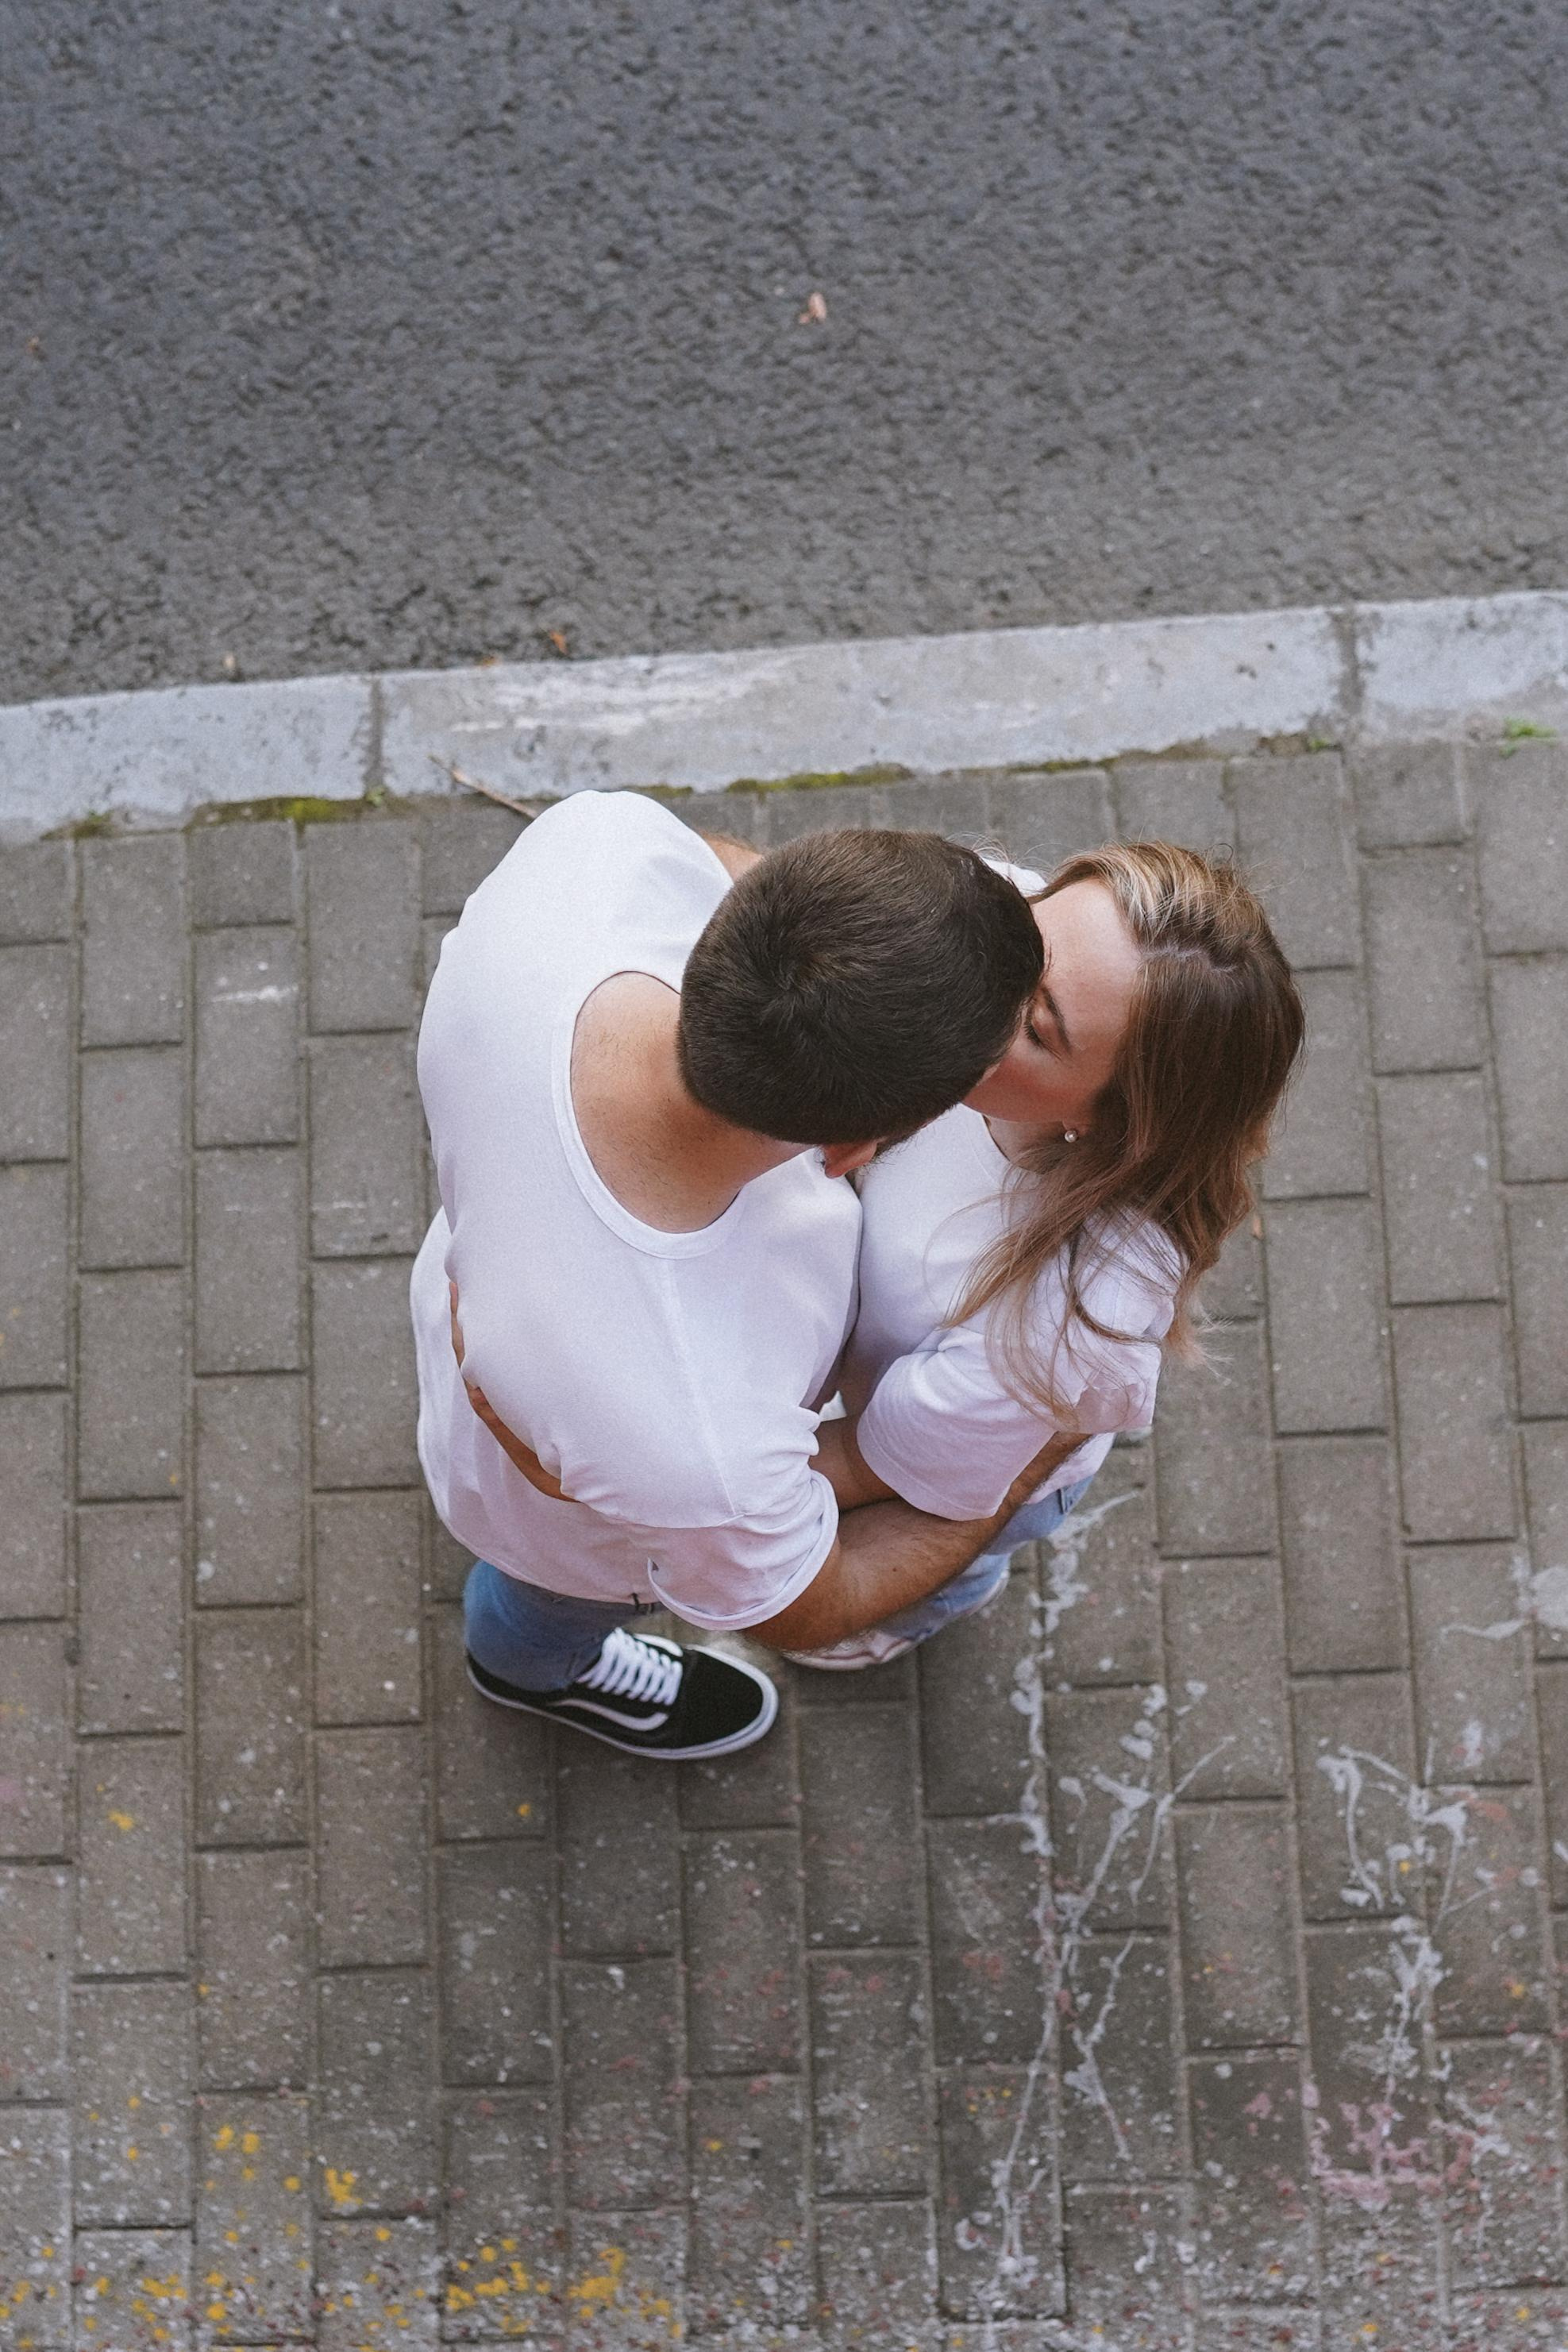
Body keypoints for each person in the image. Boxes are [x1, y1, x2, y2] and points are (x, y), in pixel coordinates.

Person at [410, 787, 1051, 1764]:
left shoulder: (590, 851)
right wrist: (1015, 1474)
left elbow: (712, 862)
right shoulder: (697, 1440)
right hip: (566, 1527)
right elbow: (809, 1606)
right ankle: (530, 1674)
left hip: (482, 1312)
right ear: (852, 1149)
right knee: (538, 1606)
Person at [793, 839, 1306, 1668]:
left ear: (1111, 1122)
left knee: (960, 1556)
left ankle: (935, 1607)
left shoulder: (1060, 1318)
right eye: (1019, 935)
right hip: (891, 1389)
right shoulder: (989, 918)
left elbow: (869, 1465)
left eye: (1034, 1026)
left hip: (950, 1456)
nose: (968, 983)